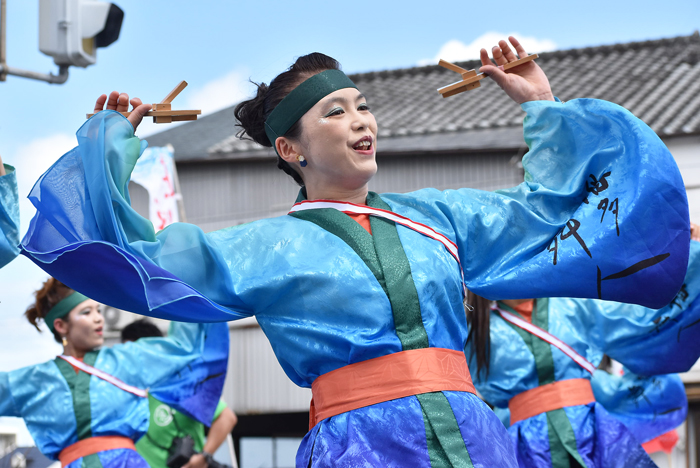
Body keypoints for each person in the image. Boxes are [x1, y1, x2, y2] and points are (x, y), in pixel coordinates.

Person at [0, 36, 691, 467]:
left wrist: (540, 101)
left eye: (363, 106)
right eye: (336, 112)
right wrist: (111, 144)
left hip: (476, 435)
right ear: (290, 150)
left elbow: (549, 213)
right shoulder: (266, 246)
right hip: (360, 445)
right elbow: (136, 258)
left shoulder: (441, 218)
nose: (361, 120)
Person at [465, 232, 700, 467]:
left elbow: (636, 321)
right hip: (528, 444)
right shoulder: (475, 330)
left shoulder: (570, 301)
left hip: (591, 430)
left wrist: (691, 253)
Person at [0, 277, 229, 467]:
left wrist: (189, 277)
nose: (99, 318)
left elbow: (184, 346)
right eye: (87, 312)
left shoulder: (126, 359)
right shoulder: (34, 380)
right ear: (61, 326)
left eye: (98, 310)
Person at [121, 319, 238, 468]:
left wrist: (204, 457)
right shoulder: (124, 394)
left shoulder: (179, 384)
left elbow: (226, 418)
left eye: (135, 352)